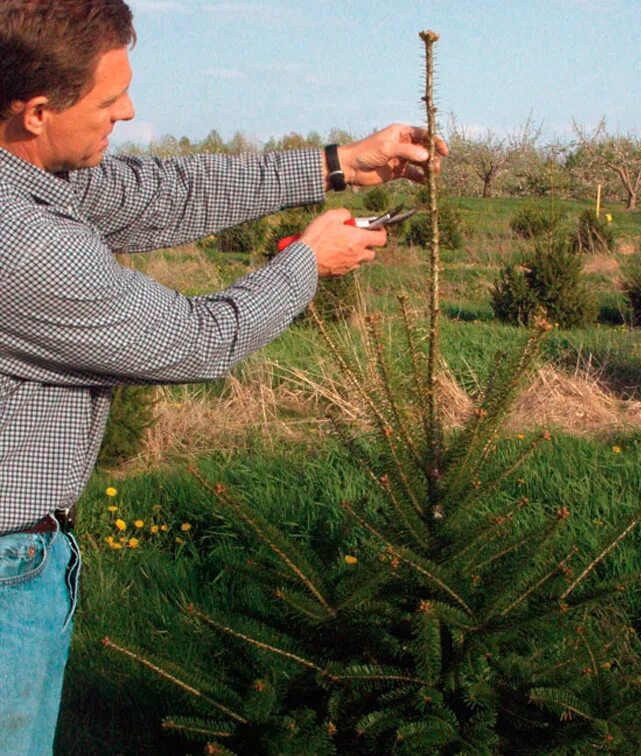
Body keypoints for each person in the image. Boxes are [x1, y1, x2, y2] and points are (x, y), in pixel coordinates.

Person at [0, 1, 447, 753]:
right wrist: (307, 264)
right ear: (39, 110)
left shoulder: (30, 178)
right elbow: (196, 341)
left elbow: (165, 193)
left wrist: (341, 164)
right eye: (110, 101)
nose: (130, 111)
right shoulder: (21, 244)